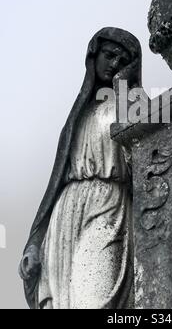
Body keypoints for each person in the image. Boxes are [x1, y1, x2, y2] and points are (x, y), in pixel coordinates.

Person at [19, 28, 142, 309]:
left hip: (110, 205)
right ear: (93, 56)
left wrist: (126, 89)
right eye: (109, 55)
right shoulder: (78, 115)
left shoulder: (134, 102)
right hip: (67, 210)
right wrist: (35, 241)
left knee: (93, 296)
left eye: (123, 61)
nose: (114, 64)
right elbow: (54, 185)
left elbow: (147, 153)